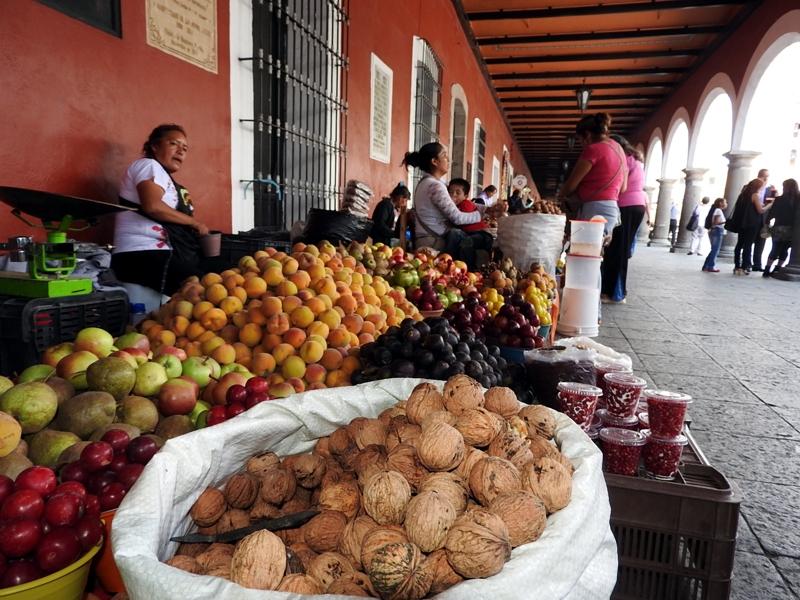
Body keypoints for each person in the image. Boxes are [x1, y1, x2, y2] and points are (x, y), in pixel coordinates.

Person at [112, 124, 226, 296]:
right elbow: (153, 206)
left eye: (185, 148)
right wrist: (194, 222)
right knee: (206, 288)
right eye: (174, 144)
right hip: (140, 254)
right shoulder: (149, 165)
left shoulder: (168, 180)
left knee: (221, 274)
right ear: (155, 146)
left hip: (162, 253)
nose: (180, 151)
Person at [403, 142, 483, 256]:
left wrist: (484, 209)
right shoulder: (435, 186)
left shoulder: (426, 183)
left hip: (428, 239)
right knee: (480, 240)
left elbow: (458, 203)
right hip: (434, 244)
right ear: (434, 161)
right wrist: (482, 215)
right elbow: (458, 218)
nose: (448, 159)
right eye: (444, 155)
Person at [556, 112, 628, 241]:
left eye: (579, 140)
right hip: (612, 210)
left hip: (593, 210)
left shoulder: (593, 149)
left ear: (587, 135)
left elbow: (571, 184)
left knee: (582, 253)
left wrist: (560, 196)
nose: (581, 144)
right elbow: (623, 188)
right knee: (594, 256)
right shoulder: (618, 148)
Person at [601, 135, 648, 303]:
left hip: (625, 205)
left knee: (616, 251)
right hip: (638, 206)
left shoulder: (624, 159)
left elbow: (621, 185)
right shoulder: (636, 159)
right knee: (622, 249)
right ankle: (617, 291)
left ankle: (614, 293)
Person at [448, 177, 493, 269]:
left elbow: (459, 220)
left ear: (465, 196)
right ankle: (449, 263)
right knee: (454, 233)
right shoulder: (454, 206)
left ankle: (470, 269)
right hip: (469, 233)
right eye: (450, 192)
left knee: (466, 242)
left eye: (458, 192)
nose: (453, 195)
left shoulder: (465, 204)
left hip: (481, 234)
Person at [729, 178, 768, 275]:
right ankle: (745, 266)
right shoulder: (755, 195)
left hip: (742, 223)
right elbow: (760, 210)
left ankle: (737, 266)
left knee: (739, 244)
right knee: (748, 245)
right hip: (752, 224)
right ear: (758, 187)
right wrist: (770, 205)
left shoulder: (742, 195)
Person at [763, 178, 798, 277]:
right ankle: (777, 269)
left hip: (778, 228)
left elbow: (771, 214)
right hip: (792, 229)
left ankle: (767, 269)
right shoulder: (798, 200)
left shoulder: (779, 199)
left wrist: (767, 223)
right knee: (785, 250)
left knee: (774, 248)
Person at [751, 168, 775, 271]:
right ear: (759, 176)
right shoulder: (752, 187)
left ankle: (757, 265)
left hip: (764, 220)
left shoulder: (770, 190)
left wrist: (775, 196)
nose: (766, 178)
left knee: (761, 243)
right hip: (752, 219)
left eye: (767, 176)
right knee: (747, 242)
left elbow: (774, 204)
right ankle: (745, 263)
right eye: (764, 176)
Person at [702, 198, 727, 272]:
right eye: (725, 202)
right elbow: (715, 222)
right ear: (720, 203)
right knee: (715, 250)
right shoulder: (718, 210)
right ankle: (710, 266)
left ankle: (706, 266)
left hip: (714, 230)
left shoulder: (715, 210)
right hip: (717, 230)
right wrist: (725, 222)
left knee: (713, 249)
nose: (726, 204)